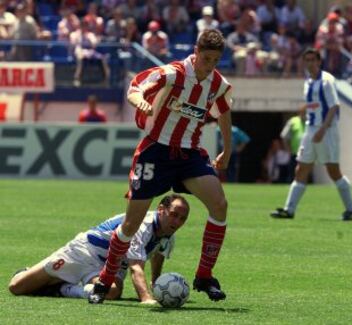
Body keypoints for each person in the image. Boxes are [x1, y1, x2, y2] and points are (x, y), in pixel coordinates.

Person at [89, 29, 233, 304]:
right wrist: (140, 102)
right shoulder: (173, 73)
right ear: (195, 51)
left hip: (189, 154)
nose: (209, 65)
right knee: (130, 224)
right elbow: (136, 87)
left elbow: (224, 111)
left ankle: (204, 275)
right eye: (206, 58)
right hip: (155, 152)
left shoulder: (218, 83)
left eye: (215, 60)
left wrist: (226, 148)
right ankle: (105, 280)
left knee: (220, 205)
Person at [8, 194, 189, 304]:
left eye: (182, 218)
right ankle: (30, 273)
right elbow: (135, 266)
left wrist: (156, 283)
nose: (177, 222)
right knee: (17, 287)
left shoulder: (168, 234)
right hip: (84, 252)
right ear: (160, 210)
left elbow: (158, 255)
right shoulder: (143, 225)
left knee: (112, 292)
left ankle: (63, 289)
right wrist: (146, 298)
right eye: (174, 214)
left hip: (111, 265)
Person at [270, 47, 352, 221]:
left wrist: (323, 129)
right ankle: (289, 210)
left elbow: (334, 106)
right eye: (307, 60)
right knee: (301, 168)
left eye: (313, 60)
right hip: (311, 129)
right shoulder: (308, 81)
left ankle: (351, 209)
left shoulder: (326, 81)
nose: (310, 63)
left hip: (327, 130)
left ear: (319, 61)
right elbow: (315, 105)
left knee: (333, 171)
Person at [280, 109, 306, 182]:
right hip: (295, 152)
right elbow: (284, 136)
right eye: (304, 112)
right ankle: (293, 183)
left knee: (305, 170)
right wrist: (288, 149)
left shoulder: (310, 121)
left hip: (307, 152)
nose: (305, 114)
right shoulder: (293, 121)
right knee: (293, 169)